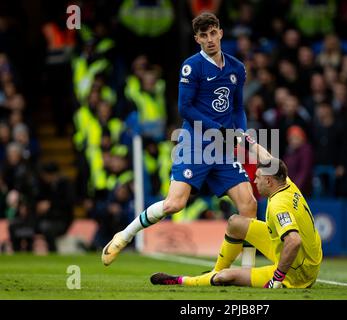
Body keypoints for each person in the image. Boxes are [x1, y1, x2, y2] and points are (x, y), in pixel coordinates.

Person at [102, 12, 258, 268]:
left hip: (221, 148)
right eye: (203, 35)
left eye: (213, 33)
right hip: (194, 143)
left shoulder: (236, 68)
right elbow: (185, 108)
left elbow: (238, 108)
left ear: (220, 32)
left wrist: (239, 133)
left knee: (249, 204)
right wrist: (218, 129)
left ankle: (248, 271)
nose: (209, 39)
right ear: (197, 38)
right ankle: (123, 236)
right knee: (174, 204)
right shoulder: (191, 66)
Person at [150, 154, 322, 289]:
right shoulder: (286, 183)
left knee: (225, 277)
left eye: (258, 178)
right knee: (235, 222)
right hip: (303, 258)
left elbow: (294, 241)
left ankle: (181, 280)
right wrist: (246, 140)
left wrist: (277, 278)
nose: (254, 181)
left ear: (269, 181)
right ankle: (215, 270)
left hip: (297, 273)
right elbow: (266, 157)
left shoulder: (279, 205)